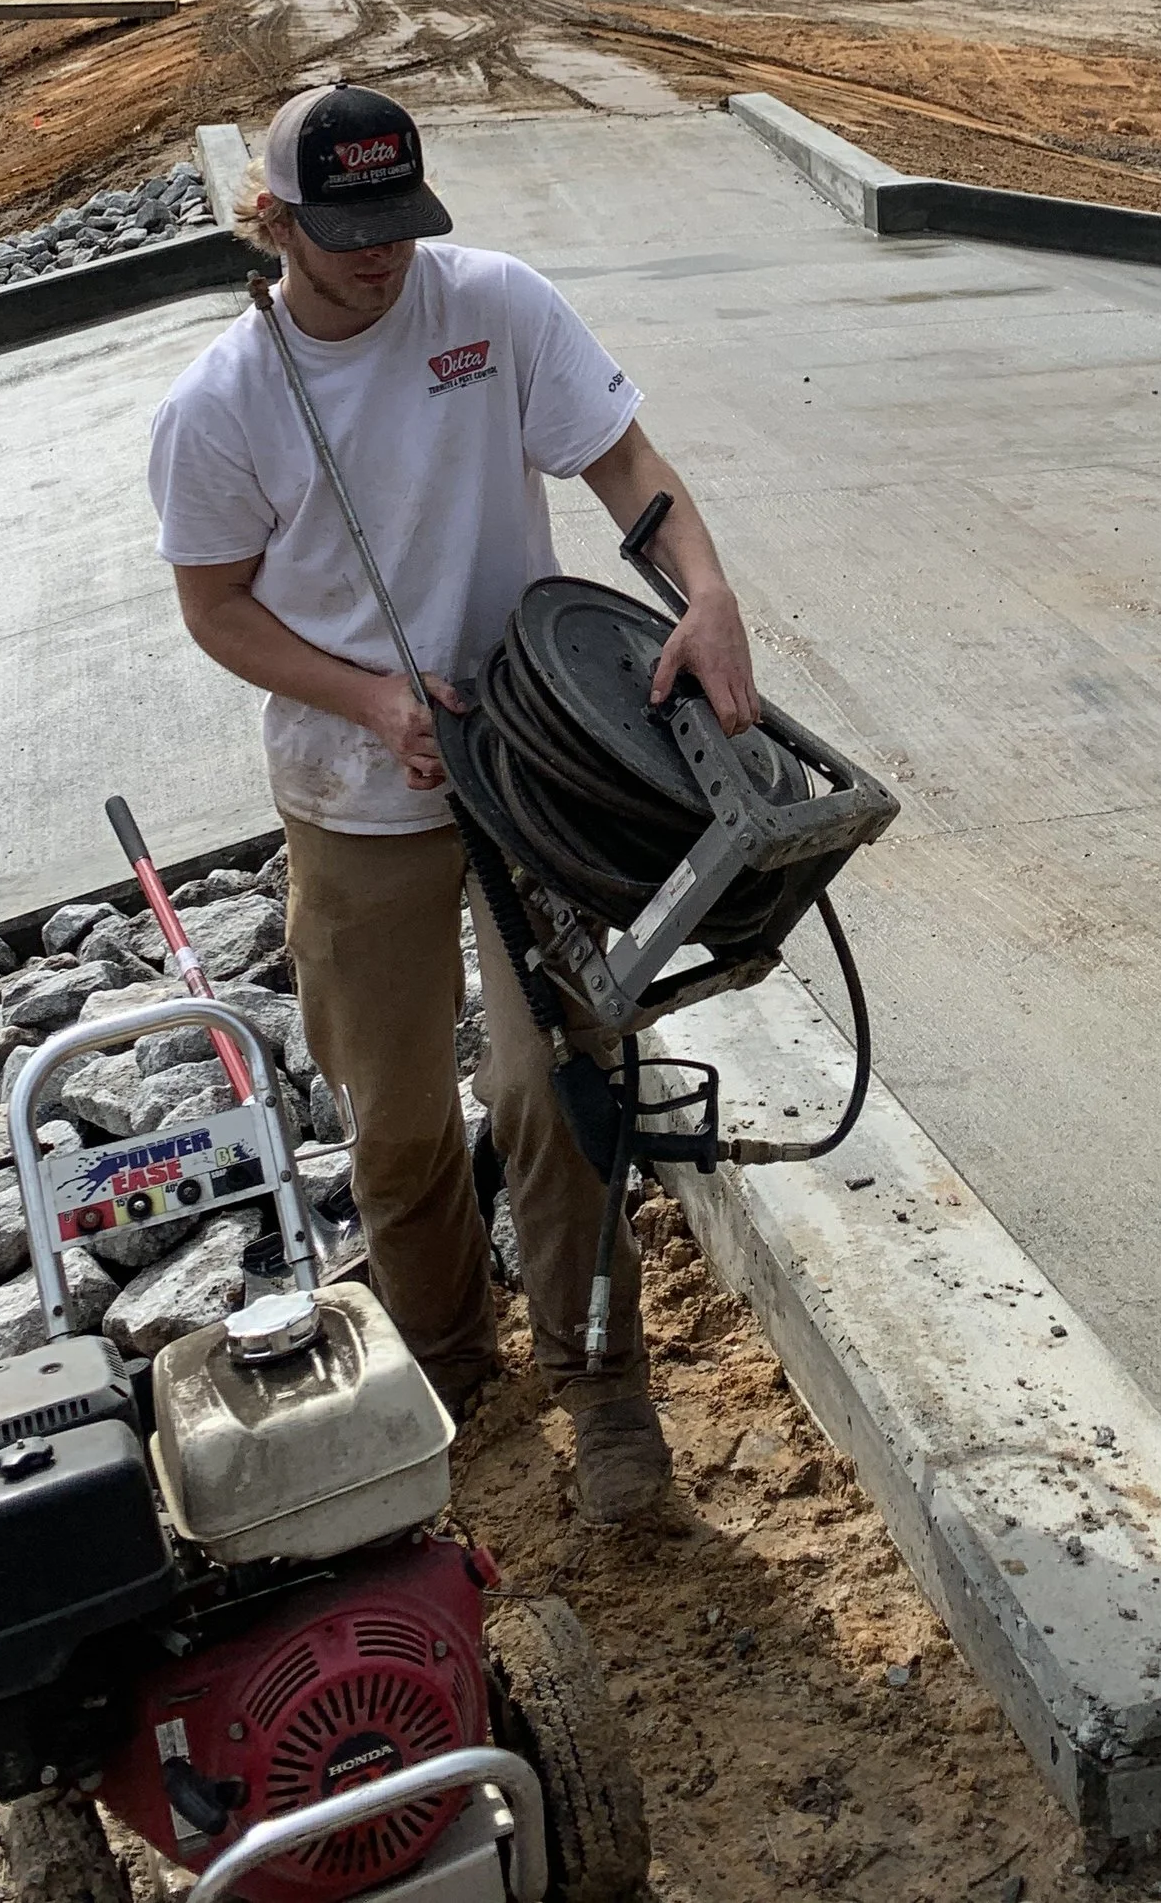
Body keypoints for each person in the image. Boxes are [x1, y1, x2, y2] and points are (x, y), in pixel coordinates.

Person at [145, 78, 761, 1524]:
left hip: (539, 778)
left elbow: (623, 463)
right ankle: (445, 1363)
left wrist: (709, 593)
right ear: (275, 218)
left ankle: (600, 1384)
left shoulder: (491, 308)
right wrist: (371, 700)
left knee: (561, 1081)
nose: (384, 256)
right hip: (358, 799)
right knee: (399, 1114)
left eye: (401, 223)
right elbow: (215, 609)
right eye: (348, 230)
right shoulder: (222, 408)